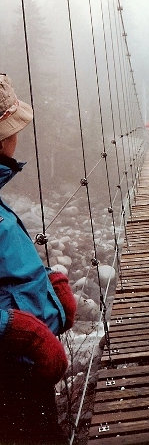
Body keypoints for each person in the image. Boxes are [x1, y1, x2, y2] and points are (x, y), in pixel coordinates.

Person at [0, 74, 76, 444]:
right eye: (12, 129)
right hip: (11, 373)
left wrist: (50, 283)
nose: (16, 138)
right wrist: (26, 334)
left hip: (22, 367)